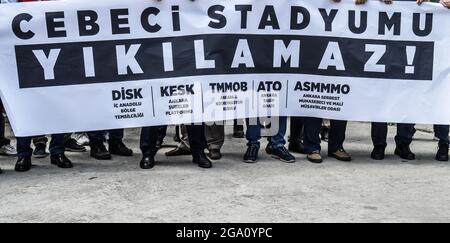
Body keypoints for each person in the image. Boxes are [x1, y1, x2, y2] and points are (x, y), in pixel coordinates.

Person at [354, 0, 449, 162]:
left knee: (407, 97)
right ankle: (379, 145)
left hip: (412, 46)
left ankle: (403, 144)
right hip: (383, 46)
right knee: (381, 98)